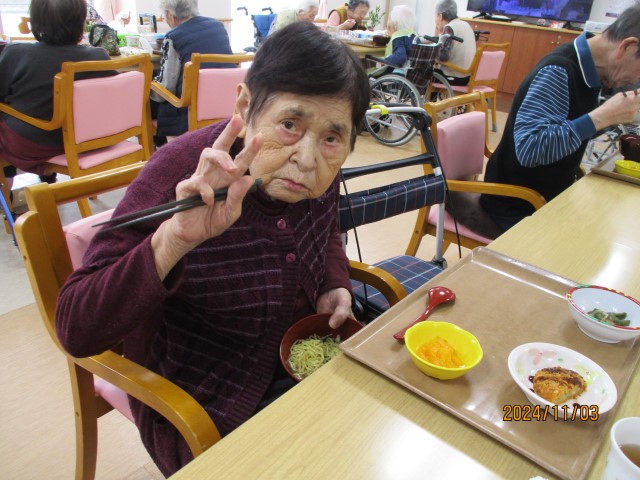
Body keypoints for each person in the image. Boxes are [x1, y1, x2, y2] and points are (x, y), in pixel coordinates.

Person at [56, 21, 369, 476]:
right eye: (289, 125)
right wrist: (174, 239)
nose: (307, 159)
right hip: (208, 401)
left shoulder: (318, 167)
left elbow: (326, 229)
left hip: (302, 366)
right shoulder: (182, 176)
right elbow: (75, 327)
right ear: (244, 106)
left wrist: (333, 283)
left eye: (331, 138)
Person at [479, 3, 640, 232]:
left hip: (551, 195)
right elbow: (529, 149)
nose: (636, 80)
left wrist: (613, 116)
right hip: (518, 201)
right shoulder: (559, 70)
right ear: (628, 47)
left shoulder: (594, 73)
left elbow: (570, 127)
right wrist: (601, 117)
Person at [0, 0, 112, 194]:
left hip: (31, 144)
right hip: (85, 142)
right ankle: (46, 177)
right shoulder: (99, 56)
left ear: (35, 20)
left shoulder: (17, 53)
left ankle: (7, 189)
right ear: (80, 21)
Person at [151, 0, 233, 148]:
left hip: (187, 114)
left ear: (171, 15)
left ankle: (161, 152)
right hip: (224, 106)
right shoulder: (218, 27)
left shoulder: (173, 37)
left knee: (151, 96)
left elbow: (166, 86)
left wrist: (149, 88)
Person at [433, 0, 477, 86]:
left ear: (440, 16)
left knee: (422, 71)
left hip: (454, 77)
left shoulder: (450, 27)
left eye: (435, 15)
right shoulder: (466, 24)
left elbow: (443, 57)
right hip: (467, 76)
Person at [368, 5, 415, 78]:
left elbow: (401, 56)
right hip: (408, 75)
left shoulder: (398, 37)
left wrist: (385, 60)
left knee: (365, 72)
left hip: (393, 74)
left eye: (389, 18)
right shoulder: (413, 35)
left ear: (395, 24)